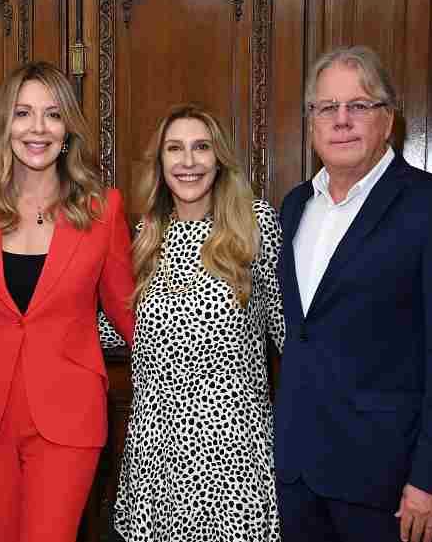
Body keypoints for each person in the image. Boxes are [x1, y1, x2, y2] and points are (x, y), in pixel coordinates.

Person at [274, 46, 432, 542]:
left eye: (360, 106)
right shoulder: (294, 206)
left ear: (387, 120)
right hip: (297, 477)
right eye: (327, 108)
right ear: (311, 124)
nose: (342, 120)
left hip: (389, 486)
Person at [0, 61, 135, 542]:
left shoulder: (102, 209)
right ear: (5, 124)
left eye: (52, 114)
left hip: (69, 416)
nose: (37, 129)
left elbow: (129, 314)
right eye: (23, 114)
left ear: (68, 129)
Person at [112, 104, 285, 541]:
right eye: (175, 148)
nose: (188, 161)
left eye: (200, 147)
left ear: (219, 158)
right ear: (160, 162)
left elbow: (290, 333)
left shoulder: (255, 223)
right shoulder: (147, 234)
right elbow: (115, 321)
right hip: (155, 453)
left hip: (233, 456)